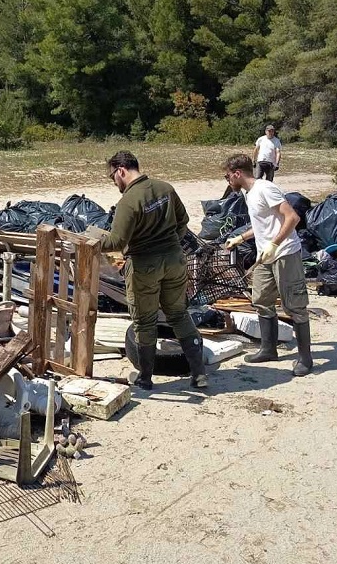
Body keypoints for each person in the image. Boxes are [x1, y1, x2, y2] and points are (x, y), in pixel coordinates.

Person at [101, 151, 207, 390]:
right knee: (178, 314)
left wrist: (91, 242)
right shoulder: (165, 188)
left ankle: (146, 378)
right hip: (175, 260)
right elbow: (184, 220)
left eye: (112, 177)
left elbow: (117, 242)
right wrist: (171, 245)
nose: (114, 183)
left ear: (121, 170)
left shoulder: (128, 201)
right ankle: (199, 373)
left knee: (144, 321)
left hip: (144, 266)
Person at [222, 153, 313, 376]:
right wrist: (241, 238)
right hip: (266, 256)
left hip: (285, 253)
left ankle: (305, 359)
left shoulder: (265, 189)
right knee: (261, 299)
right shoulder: (249, 194)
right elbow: (263, 223)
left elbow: (292, 218)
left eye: (228, 177)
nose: (228, 182)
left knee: (295, 306)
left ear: (237, 173)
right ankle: (268, 348)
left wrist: (274, 244)